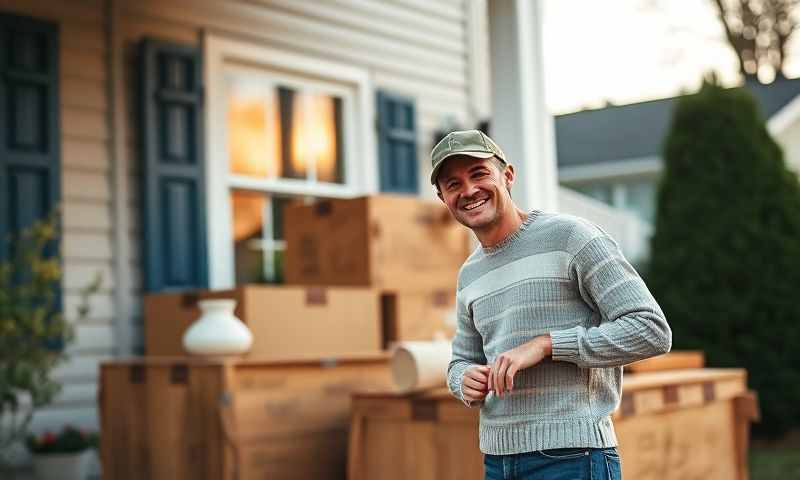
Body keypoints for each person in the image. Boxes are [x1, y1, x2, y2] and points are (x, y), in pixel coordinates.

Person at [431, 130, 672, 480]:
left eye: (479, 174)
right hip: (497, 461)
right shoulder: (469, 274)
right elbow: (460, 362)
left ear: (507, 175)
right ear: (443, 198)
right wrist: (463, 380)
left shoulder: (572, 238)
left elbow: (651, 330)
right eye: (453, 184)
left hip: (573, 458)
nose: (468, 190)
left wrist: (546, 345)